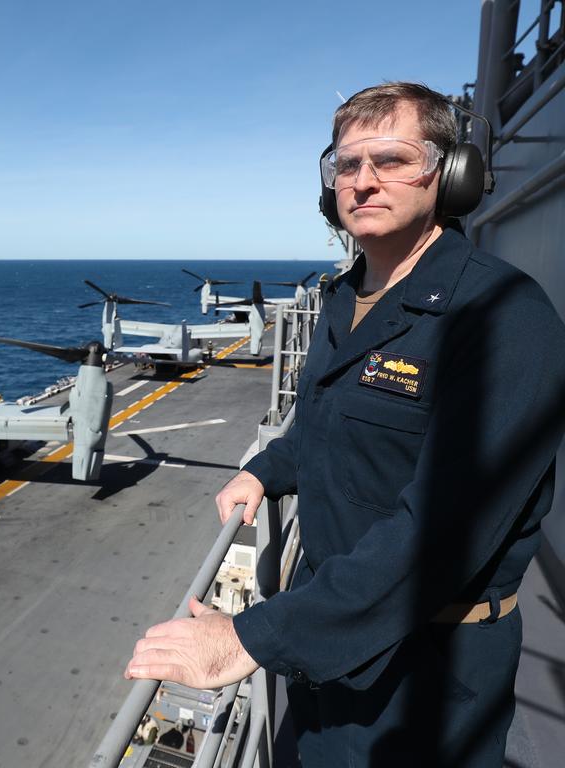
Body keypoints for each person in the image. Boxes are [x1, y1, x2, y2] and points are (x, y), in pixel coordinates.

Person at [125, 82, 565, 766]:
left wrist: (250, 638)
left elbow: (440, 536)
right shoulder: (344, 299)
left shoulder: (505, 317)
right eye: (346, 166)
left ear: (450, 174)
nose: (364, 181)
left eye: (392, 159)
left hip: (427, 680)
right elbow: (320, 429)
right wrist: (266, 471)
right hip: (326, 646)